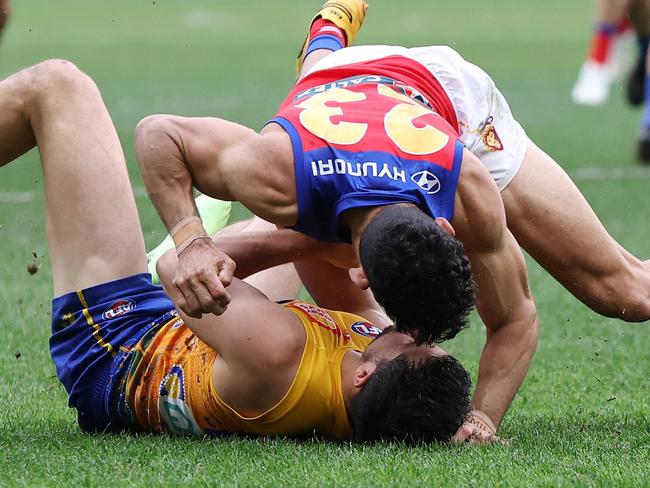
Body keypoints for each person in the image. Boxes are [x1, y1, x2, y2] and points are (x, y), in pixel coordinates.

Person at [137, 0, 650, 443]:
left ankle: (327, 38)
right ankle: (326, 38)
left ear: (450, 232)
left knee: (627, 294)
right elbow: (159, 135)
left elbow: (516, 319)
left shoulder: (468, 185)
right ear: (359, 268)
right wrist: (191, 242)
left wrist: (485, 418)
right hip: (344, 83)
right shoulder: (281, 181)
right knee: (313, 91)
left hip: (448, 98)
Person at [0, 58, 474, 443]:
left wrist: (327, 241)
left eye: (415, 347)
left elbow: (181, 272)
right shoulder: (373, 373)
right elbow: (321, 263)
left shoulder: (276, 354)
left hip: (120, 338)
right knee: (287, 210)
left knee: (57, 86)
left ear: (363, 378)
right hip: (212, 329)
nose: (416, 334)